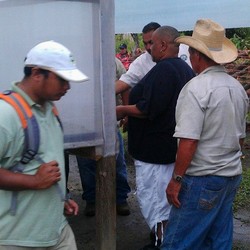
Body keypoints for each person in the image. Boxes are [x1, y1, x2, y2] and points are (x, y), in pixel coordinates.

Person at [161, 19, 249, 250]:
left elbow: (189, 141)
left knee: (178, 242)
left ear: (196, 55)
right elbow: (240, 138)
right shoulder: (236, 87)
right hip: (230, 175)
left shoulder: (196, 88)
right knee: (218, 240)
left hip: (203, 177)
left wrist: (176, 180)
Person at [0, 40, 88, 249]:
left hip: (57, 231)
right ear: (37, 73)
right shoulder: (6, 115)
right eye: (62, 80)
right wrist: (34, 181)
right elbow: (37, 176)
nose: (68, 87)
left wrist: (58, 199)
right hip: (18, 239)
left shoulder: (49, 109)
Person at [116, 26, 195, 250]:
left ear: (162, 45)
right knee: (161, 200)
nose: (148, 48)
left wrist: (122, 110)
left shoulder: (165, 70)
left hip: (156, 152)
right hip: (167, 147)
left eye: (152, 44)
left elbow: (148, 108)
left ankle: (163, 243)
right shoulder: (183, 69)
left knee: (156, 201)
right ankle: (165, 240)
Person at [75, 57, 131, 217]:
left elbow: (125, 85)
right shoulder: (79, 58)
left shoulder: (112, 61)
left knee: (117, 160)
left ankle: (120, 198)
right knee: (86, 162)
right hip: (83, 122)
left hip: (108, 120)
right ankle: (92, 200)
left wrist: (126, 112)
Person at [115, 22, 191, 95]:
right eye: (145, 43)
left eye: (151, 42)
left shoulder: (187, 51)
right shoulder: (141, 63)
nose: (148, 47)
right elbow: (124, 82)